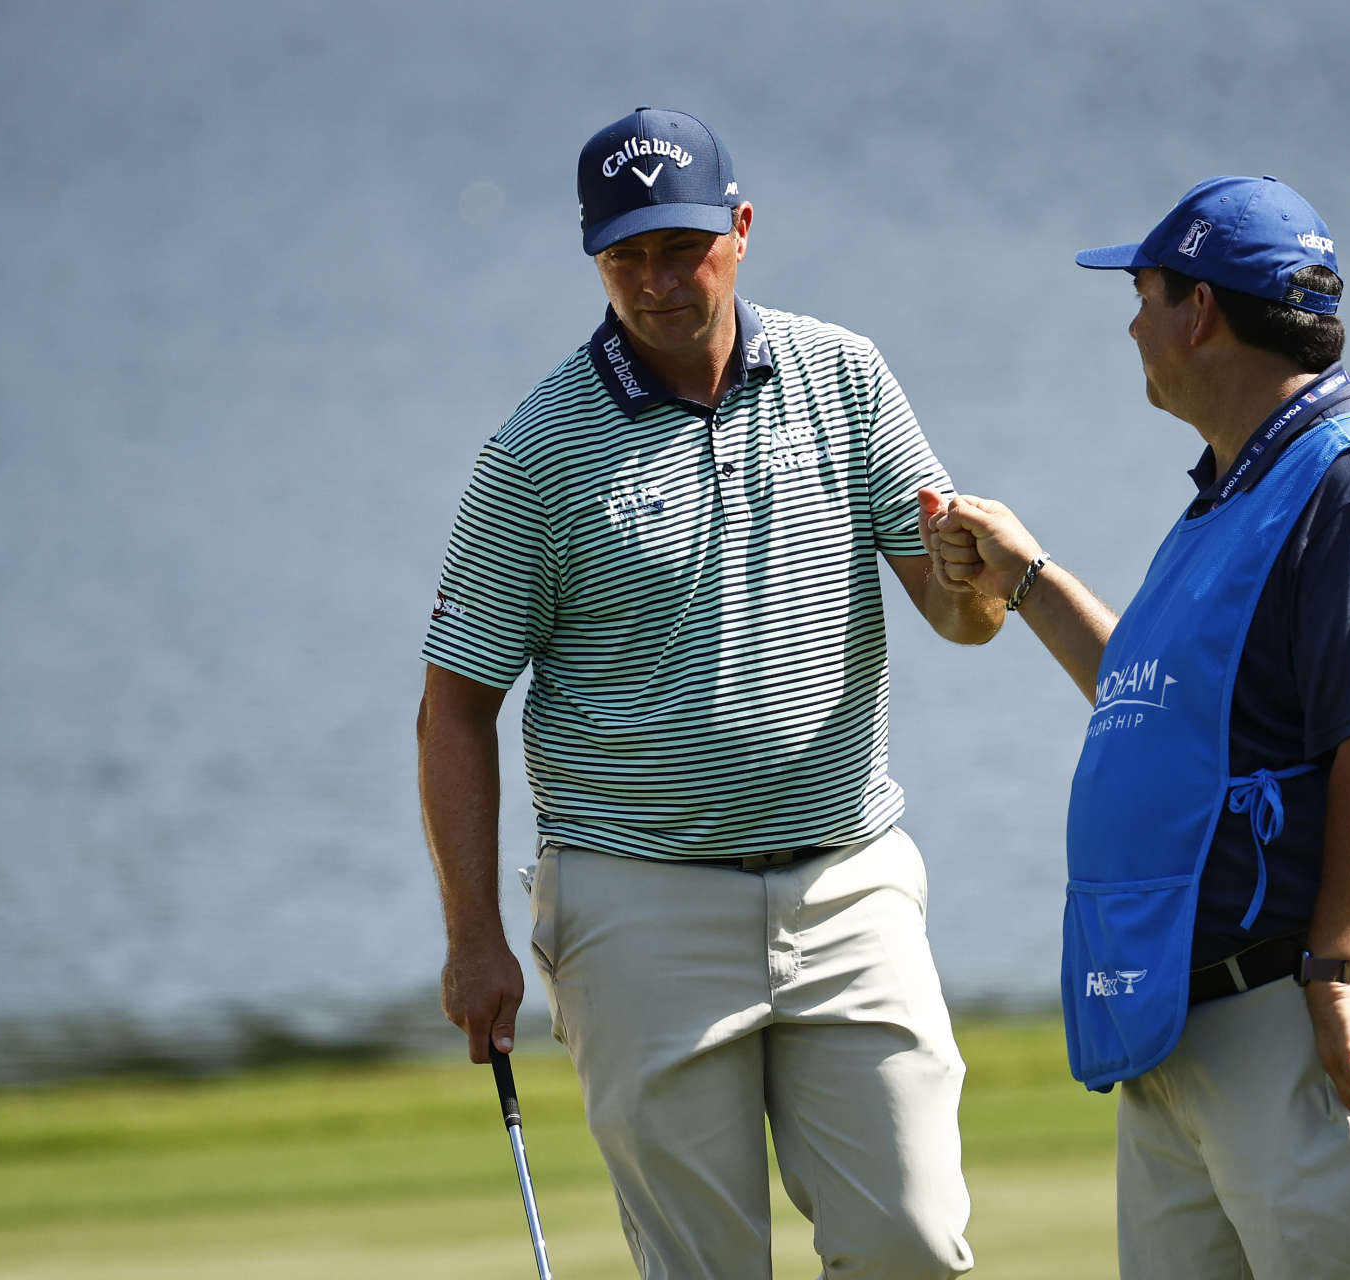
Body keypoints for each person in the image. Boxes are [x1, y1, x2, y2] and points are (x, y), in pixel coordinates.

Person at [415, 107, 1001, 1280]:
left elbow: (957, 614)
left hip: (846, 878)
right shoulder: (537, 449)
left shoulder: (846, 377)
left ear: (739, 230)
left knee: (918, 1242)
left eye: (681, 247)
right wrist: (474, 934)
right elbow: (456, 702)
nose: (657, 279)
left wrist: (972, 586)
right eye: (626, 254)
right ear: (594, 258)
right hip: (638, 902)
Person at [934, 176, 1350, 1279]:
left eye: (1141, 293)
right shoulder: (1240, 490)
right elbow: (1163, 711)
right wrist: (1032, 581)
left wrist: (1333, 971)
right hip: (1194, 1021)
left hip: (1309, 1007)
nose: (1131, 323)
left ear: (1199, 310)